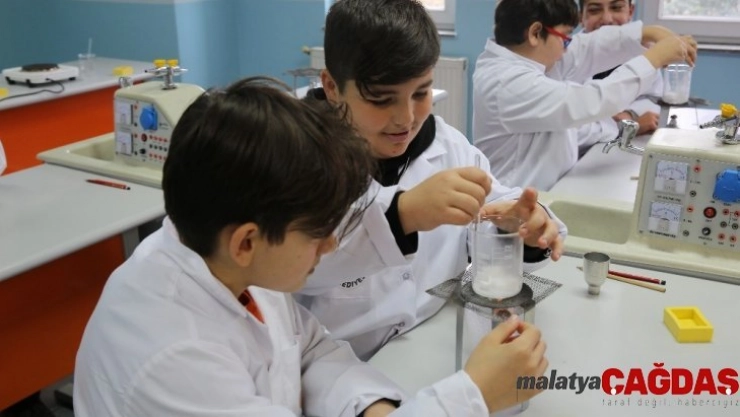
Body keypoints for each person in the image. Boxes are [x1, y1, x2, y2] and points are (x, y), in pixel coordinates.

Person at [72, 77, 549, 416]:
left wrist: (372, 409)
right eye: (319, 231)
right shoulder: (175, 358)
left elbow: (309, 352)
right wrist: (473, 396)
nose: (333, 243)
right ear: (246, 241)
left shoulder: (224, 255)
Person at [297, 0, 566, 362]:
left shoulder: (447, 145)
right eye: (381, 99)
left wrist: (522, 228)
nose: (405, 118)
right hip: (337, 366)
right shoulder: (295, 160)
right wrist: (400, 218)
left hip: (432, 340)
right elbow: (294, 268)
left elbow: (494, 209)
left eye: (421, 93)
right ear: (331, 86)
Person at [472, 0, 697, 190]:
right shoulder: (508, 83)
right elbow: (593, 100)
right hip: (515, 205)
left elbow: (587, 47)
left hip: (547, 193)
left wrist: (646, 33)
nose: (566, 48)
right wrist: (655, 58)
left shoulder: (528, 60)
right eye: (565, 38)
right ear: (534, 33)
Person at [576, 0, 662, 153]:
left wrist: (630, 114)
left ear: (630, 11)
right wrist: (625, 126)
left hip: (626, 147)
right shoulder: (565, 58)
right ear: (580, 17)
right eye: (595, 10)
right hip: (579, 155)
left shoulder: (643, 51)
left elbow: (653, 98)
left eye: (616, 8)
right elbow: (572, 127)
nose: (607, 19)